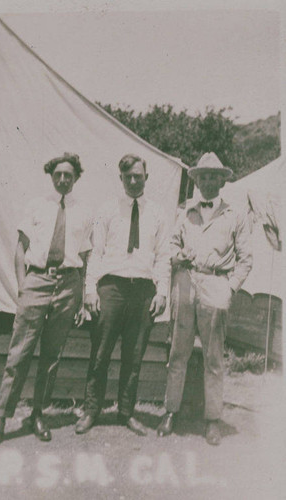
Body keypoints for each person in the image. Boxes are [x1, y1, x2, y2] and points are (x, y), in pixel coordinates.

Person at [0, 152, 92, 449]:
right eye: (58, 174)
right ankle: (0, 420)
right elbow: (21, 249)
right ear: (51, 175)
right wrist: (23, 286)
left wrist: (80, 298)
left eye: (68, 174)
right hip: (37, 281)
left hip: (68, 285)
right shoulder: (36, 206)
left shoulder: (83, 212)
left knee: (51, 356)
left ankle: (37, 414)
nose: (63, 179)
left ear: (76, 177)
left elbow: (84, 258)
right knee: (18, 354)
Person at [157, 152, 252, 445]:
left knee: (213, 358)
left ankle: (212, 419)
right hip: (186, 283)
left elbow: (246, 259)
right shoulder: (185, 212)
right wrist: (177, 256)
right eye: (203, 176)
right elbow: (170, 246)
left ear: (222, 181)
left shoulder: (235, 216)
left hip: (216, 284)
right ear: (196, 180)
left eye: (214, 176)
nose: (208, 181)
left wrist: (229, 289)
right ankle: (170, 411)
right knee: (178, 352)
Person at [75, 154, 171, 436]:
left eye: (138, 176)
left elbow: (164, 257)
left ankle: (126, 412)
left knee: (135, 354)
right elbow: (95, 254)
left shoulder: (158, 213)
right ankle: (91, 410)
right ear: (120, 178)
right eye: (127, 176)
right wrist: (90, 290)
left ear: (146, 177)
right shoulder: (107, 210)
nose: (133, 180)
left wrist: (162, 292)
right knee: (100, 352)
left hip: (143, 291)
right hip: (112, 289)